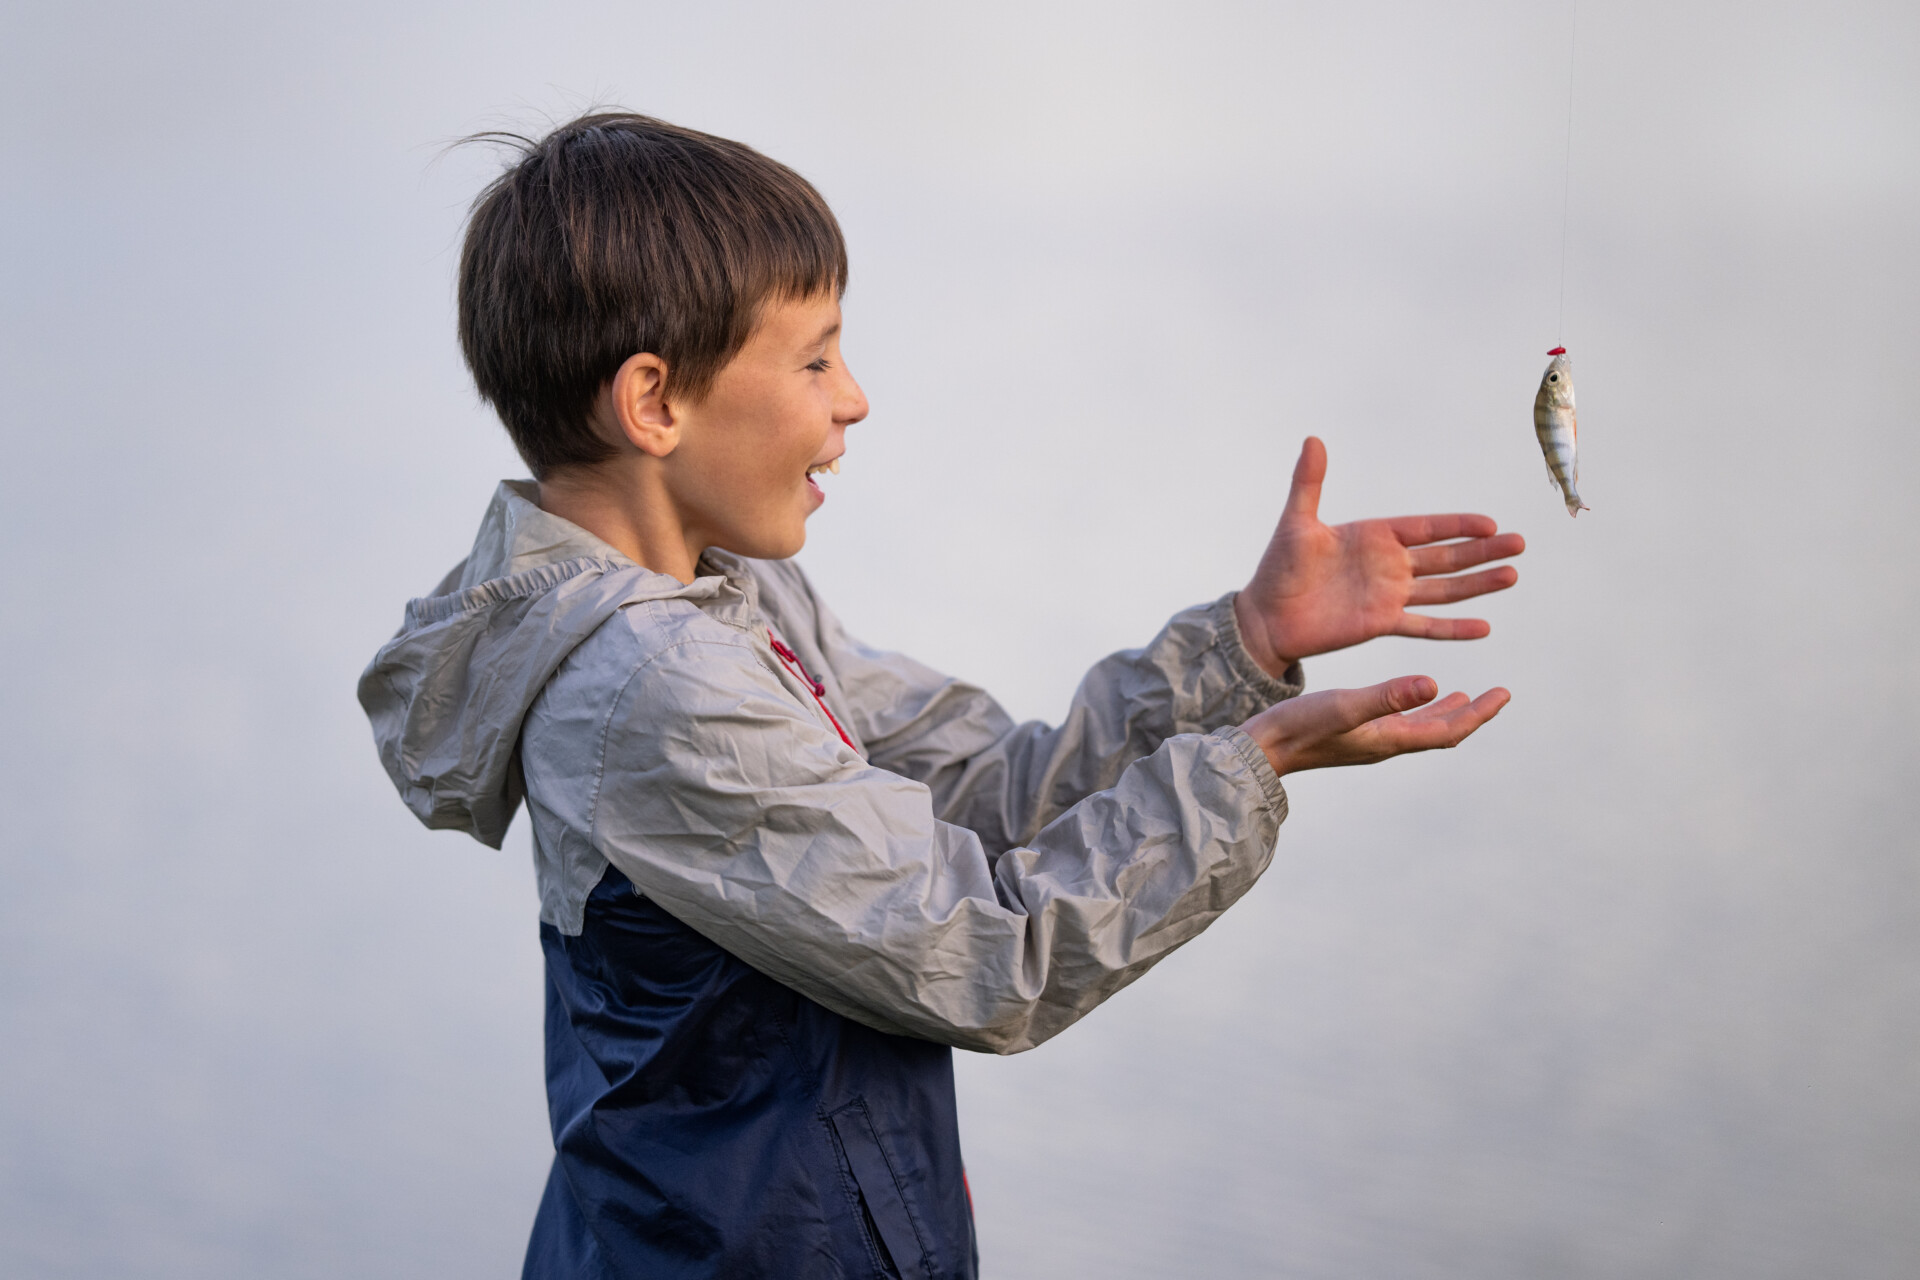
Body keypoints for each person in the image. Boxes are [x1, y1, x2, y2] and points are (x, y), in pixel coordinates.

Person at [358, 111, 1524, 1280]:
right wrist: (1242, 772)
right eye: (814, 359)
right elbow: (990, 945)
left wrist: (1242, 646)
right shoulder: (654, 691)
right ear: (655, 402)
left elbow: (978, 795)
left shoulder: (731, 597)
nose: (854, 396)